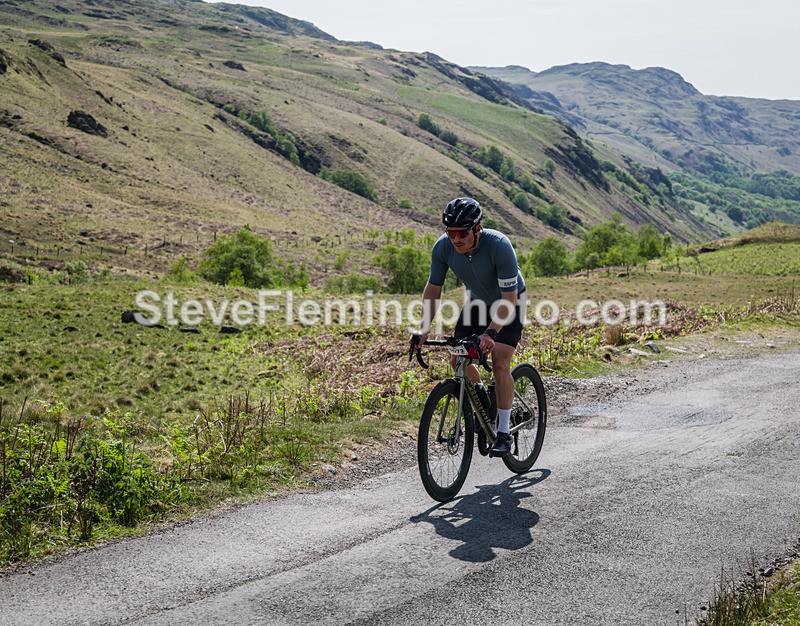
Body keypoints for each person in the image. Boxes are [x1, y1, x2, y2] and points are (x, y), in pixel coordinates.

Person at [413, 197, 526, 457]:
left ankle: (504, 431)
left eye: (462, 232)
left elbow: (509, 299)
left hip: (509, 302)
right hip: (477, 304)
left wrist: (491, 332)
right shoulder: (443, 248)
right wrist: (423, 329)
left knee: (499, 362)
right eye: (450, 232)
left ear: (477, 229)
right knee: (457, 359)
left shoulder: (499, 246)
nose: (456, 239)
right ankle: (484, 399)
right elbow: (433, 290)